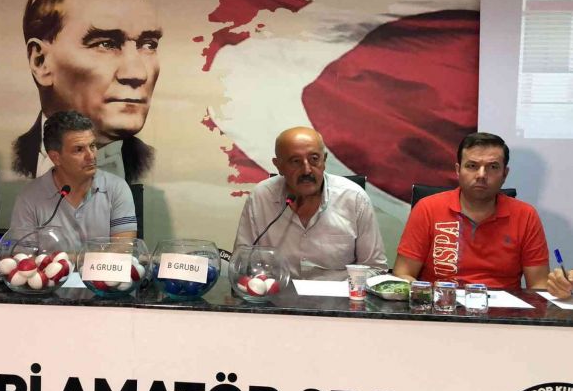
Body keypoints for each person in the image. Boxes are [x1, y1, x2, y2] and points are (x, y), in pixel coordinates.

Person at [12, 0, 162, 183]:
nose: (138, 73)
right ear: (41, 62)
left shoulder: (159, 167)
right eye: (106, 44)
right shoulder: (12, 161)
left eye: (148, 44)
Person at [394, 132, 549, 290]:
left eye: (493, 167)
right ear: (458, 170)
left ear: (505, 174)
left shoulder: (526, 215)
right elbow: (402, 274)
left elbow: (539, 284)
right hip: (442, 302)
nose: (481, 175)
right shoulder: (428, 208)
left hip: (503, 304)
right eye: (472, 166)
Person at [233, 126, 387, 280]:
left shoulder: (354, 198)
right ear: (278, 165)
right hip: (277, 292)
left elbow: (375, 268)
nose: (307, 170)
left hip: (339, 294)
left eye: (314, 159)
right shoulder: (261, 197)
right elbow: (242, 263)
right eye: (295, 161)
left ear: (324, 160)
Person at [10, 111, 137, 248]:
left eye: (92, 146)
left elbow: (123, 249)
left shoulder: (116, 188)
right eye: (79, 149)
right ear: (55, 158)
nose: (91, 156)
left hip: (100, 265)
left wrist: (67, 258)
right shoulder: (30, 197)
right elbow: (23, 255)